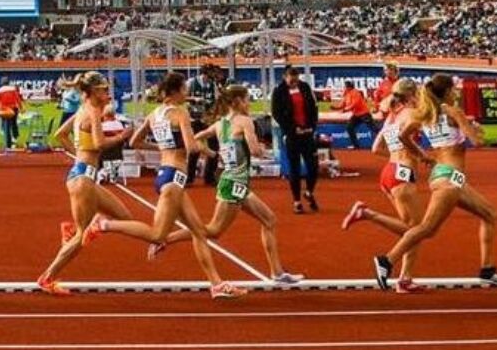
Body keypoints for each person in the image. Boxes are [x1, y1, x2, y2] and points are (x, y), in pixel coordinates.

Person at [92, 72, 243, 298]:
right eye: (184, 89)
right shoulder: (180, 113)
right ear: (175, 91)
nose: (187, 93)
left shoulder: (155, 114)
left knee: (199, 231)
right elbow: (191, 147)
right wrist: (209, 151)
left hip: (168, 174)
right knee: (156, 235)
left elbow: (134, 142)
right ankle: (104, 224)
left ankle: (216, 284)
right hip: (173, 178)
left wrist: (163, 150)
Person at [370, 74, 497, 292]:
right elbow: (478, 142)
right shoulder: (453, 111)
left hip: (449, 175)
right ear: (446, 92)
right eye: (454, 89)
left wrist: (423, 155)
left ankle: (487, 270)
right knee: (427, 228)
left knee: (489, 214)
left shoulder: (426, 115)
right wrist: (476, 130)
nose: (456, 93)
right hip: (448, 177)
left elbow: (404, 137)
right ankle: (387, 260)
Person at [188, 85, 303, 286]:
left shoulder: (220, 123)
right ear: (238, 102)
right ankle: (165, 238)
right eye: (247, 99)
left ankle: (277, 272)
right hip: (234, 182)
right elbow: (255, 150)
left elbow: (196, 139)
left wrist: (210, 153)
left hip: (234, 181)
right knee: (213, 231)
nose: (249, 103)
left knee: (269, 220)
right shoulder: (245, 121)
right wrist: (267, 151)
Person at [35, 72, 135, 294]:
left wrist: (78, 155)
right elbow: (99, 144)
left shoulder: (83, 110)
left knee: (125, 218)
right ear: (94, 92)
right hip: (83, 178)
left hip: (86, 174)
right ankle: (47, 278)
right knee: (81, 236)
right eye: (104, 89)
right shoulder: (92, 112)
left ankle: (78, 226)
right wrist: (123, 136)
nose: (108, 93)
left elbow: (61, 134)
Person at [343, 80, 426, 290]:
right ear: (411, 95)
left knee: (410, 231)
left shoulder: (391, 117)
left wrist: (397, 156)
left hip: (389, 171)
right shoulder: (410, 114)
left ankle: (405, 279)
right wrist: (422, 157)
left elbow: (375, 148)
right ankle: (367, 214)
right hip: (402, 173)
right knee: (417, 229)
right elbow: (404, 137)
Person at [270, 66, 320, 214]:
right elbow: (276, 113)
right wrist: (292, 129)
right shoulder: (279, 91)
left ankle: (309, 192)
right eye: (291, 80)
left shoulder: (304, 87)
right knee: (295, 168)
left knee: (313, 167)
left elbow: (313, 107)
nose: (294, 83)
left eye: (296, 80)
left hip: (307, 133)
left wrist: (312, 126)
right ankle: (297, 201)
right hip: (292, 135)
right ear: (285, 77)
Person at [340, 81, 378, 150]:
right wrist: (335, 107)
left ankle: (386, 143)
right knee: (349, 127)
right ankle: (356, 146)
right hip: (356, 115)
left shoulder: (355, 92)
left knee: (374, 128)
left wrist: (346, 109)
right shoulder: (347, 94)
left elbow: (355, 104)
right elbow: (343, 104)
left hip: (364, 113)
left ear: (348, 87)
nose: (344, 88)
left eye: (345, 87)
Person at [0, 76, 22, 151]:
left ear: (2, 83)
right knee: (13, 124)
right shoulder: (13, 89)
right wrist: (21, 108)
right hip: (13, 109)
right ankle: (15, 138)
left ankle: (8, 144)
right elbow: (18, 99)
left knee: (6, 127)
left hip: (4, 109)